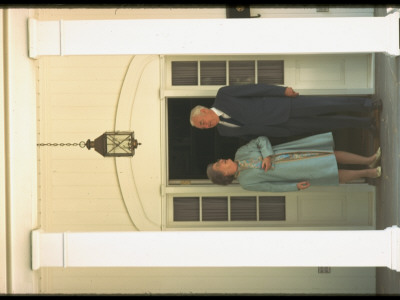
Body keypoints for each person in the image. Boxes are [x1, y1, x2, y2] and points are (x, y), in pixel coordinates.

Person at [206, 132, 381, 192]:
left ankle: (369, 159)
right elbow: (271, 188)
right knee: (332, 173)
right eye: (219, 165)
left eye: (219, 161)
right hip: (295, 172)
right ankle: (368, 173)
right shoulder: (246, 182)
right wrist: (293, 187)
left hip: (293, 153)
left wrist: (267, 155)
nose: (221, 161)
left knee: (330, 155)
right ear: (225, 175)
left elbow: (260, 139)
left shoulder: (240, 152)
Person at [190, 83, 381, 138]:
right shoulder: (224, 131)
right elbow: (254, 134)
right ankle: (366, 123)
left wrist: (282, 91)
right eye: (203, 127)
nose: (206, 125)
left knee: (327, 104)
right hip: (284, 127)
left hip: (283, 106)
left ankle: (367, 106)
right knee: (327, 124)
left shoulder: (224, 95)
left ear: (205, 111)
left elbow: (255, 89)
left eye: (202, 122)